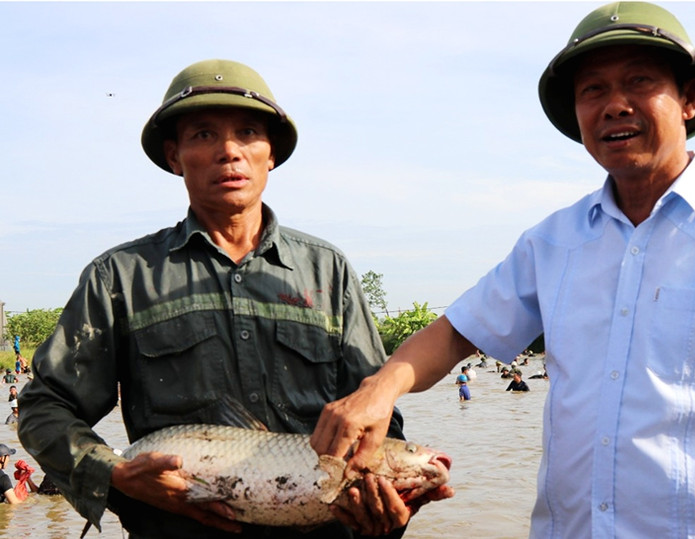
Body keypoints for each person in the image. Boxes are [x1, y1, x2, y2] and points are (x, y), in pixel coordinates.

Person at [310, 3, 695, 537]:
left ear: (689, 99)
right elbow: (457, 334)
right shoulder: (552, 243)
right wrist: (379, 389)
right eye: (592, 90)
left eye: (639, 81)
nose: (615, 105)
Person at [18, 59, 450, 539]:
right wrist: (116, 474)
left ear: (271, 155)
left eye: (247, 132)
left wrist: (385, 506)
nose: (229, 152)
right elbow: (44, 406)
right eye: (203, 134)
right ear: (174, 156)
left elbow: (378, 416)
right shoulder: (120, 277)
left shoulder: (328, 271)